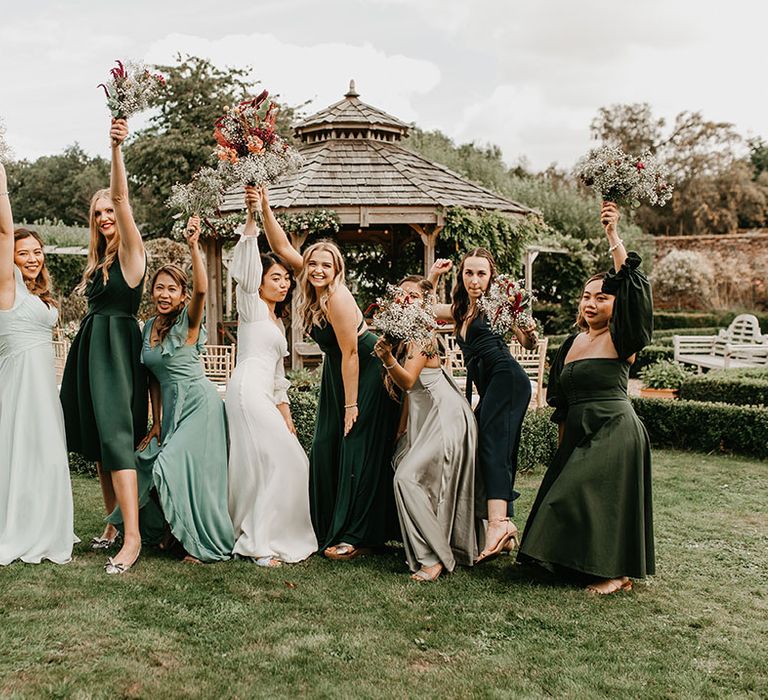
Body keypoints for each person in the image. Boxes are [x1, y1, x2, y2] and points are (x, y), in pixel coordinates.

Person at [517, 202, 655, 594]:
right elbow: (559, 400)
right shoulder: (572, 342)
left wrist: (614, 236)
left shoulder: (622, 339)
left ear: (616, 305)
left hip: (614, 428)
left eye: (602, 298)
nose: (591, 303)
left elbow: (634, 290)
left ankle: (615, 573)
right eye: (586, 296)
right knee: (567, 491)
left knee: (581, 494)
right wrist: (562, 447)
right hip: (578, 430)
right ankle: (579, 565)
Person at [257, 187, 399, 560]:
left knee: (356, 447)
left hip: (365, 370)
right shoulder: (311, 284)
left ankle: (357, 535)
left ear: (337, 271)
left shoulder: (336, 297)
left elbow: (352, 352)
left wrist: (351, 405)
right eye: (314, 263)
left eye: (326, 265)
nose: (318, 269)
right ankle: (323, 525)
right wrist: (265, 207)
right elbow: (281, 244)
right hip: (340, 372)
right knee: (324, 444)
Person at [108, 217, 234, 563]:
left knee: (171, 465)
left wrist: (193, 246)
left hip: (199, 404)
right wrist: (156, 422)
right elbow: (152, 378)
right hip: (171, 409)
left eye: (172, 290)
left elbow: (204, 290)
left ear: (182, 296)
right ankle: (169, 531)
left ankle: (199, 542)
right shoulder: (147, 326)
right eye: (159, 288)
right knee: (144, 460)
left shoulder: (188, 322)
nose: (164, 295)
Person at [60, 118, 147, 574]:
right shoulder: (98, 262)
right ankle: (113, 524)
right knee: (98, 439)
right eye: (98, 214)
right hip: (91, 349)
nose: (105, 217)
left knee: (117, 438)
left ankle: (132, 540)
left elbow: (122, 197)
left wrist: (115, 149)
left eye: (109, 212)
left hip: (115, 351)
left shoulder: (133, 254)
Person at [226, 187, 317, 567]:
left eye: (285, 279)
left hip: (265, 394)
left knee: (293, 459)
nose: (283, 283)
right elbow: (244, 267)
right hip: (245, 390)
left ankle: (276, 532)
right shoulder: (250, 305)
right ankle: (257, 542)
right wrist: (252, 216)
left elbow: (280, 378)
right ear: (261, 280)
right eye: (276, 277)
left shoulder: (278, 321)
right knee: (267, 461)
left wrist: (287, 413)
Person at [430, 249, 539, 563]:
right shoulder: (460, 308)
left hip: (507, 379)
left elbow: (526, 340)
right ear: (461, 275)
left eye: (481, 274)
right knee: (483, 446)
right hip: (490, 384)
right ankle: (502, 528)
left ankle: (498, 525)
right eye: (468, 273)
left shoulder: (497, 304)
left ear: (491, 277)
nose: (474, 280)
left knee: (493, 446)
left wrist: (527, 329)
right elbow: (425, 310)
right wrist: (434, 275)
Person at [373, 275, 478, 582]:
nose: (404, 299)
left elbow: (406, 380)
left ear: (424, 304)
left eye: (412, 295)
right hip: (424, 417)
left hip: (446, 417)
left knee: (406, 479)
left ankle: (434, 558)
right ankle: (430, 548)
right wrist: (402, 430)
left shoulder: (423, 336)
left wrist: (388, 358)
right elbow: (410, 394)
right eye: (400, 294)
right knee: (406, 473)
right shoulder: (402, 335)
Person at [0, 165, 77, 565]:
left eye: (36, 252)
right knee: (19, 451)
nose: (31, 258)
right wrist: (3, 187)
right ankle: (17, 528)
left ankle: (48, 527)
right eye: (22, 252)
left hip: (45, 387)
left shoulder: (43, 295)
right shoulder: (6, 285)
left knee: (46, 453)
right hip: (17, 384)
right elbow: (2, 232)